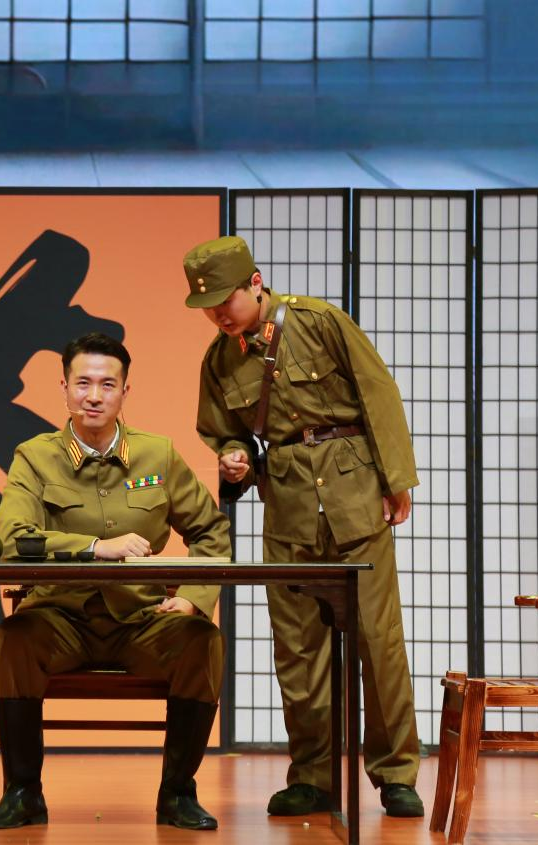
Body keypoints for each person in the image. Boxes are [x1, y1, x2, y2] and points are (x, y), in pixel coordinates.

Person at [182, 235, 425, 818]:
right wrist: (236, 457)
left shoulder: (319, 322)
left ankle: (395, 773)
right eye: (207, 306)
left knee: (378, 642)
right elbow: (223, 431)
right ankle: (312, 776)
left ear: (255, 283)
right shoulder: (219, 361)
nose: (218, 314)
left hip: (354, 496)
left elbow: (378, 393)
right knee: (298, 649)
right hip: (288, 507)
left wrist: (396, 479)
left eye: (224, 299)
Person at [0, 332, 232, 832]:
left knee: (201, 641)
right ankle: (22, 792)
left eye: (107, 385)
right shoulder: (34, 456)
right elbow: (10, 537)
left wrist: (194, 600)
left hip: (142, 619)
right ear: (64, 389)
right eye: (83, 383)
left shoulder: (158, 456)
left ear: (124, 392)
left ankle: (177, 794)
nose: (94, 396)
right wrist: (94, 547)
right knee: (11, 640)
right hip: (59, 618)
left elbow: (211, 530)